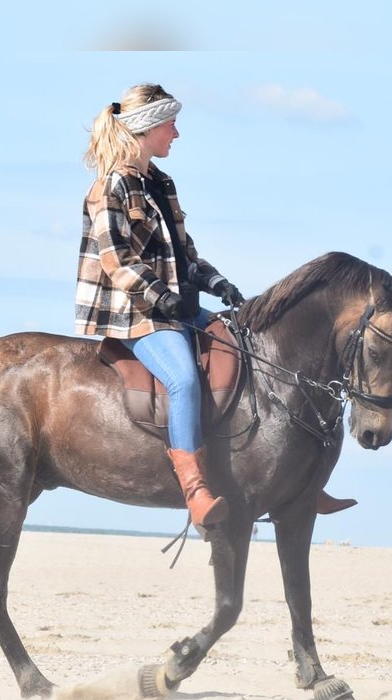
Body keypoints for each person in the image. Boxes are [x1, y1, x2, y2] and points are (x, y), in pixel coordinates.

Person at [75, 83, 353, 526]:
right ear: (147, 129)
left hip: (173, 305)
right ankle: (195, 490)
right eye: (170, 125)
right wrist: (162, 298)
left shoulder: (160, 183)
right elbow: (116, 260)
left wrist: (215, 281)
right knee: (184, 379)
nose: (176, 135)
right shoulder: (109, 187)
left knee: (247, 349)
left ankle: (293, 477)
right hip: (135, 314)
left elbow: (183, 253)